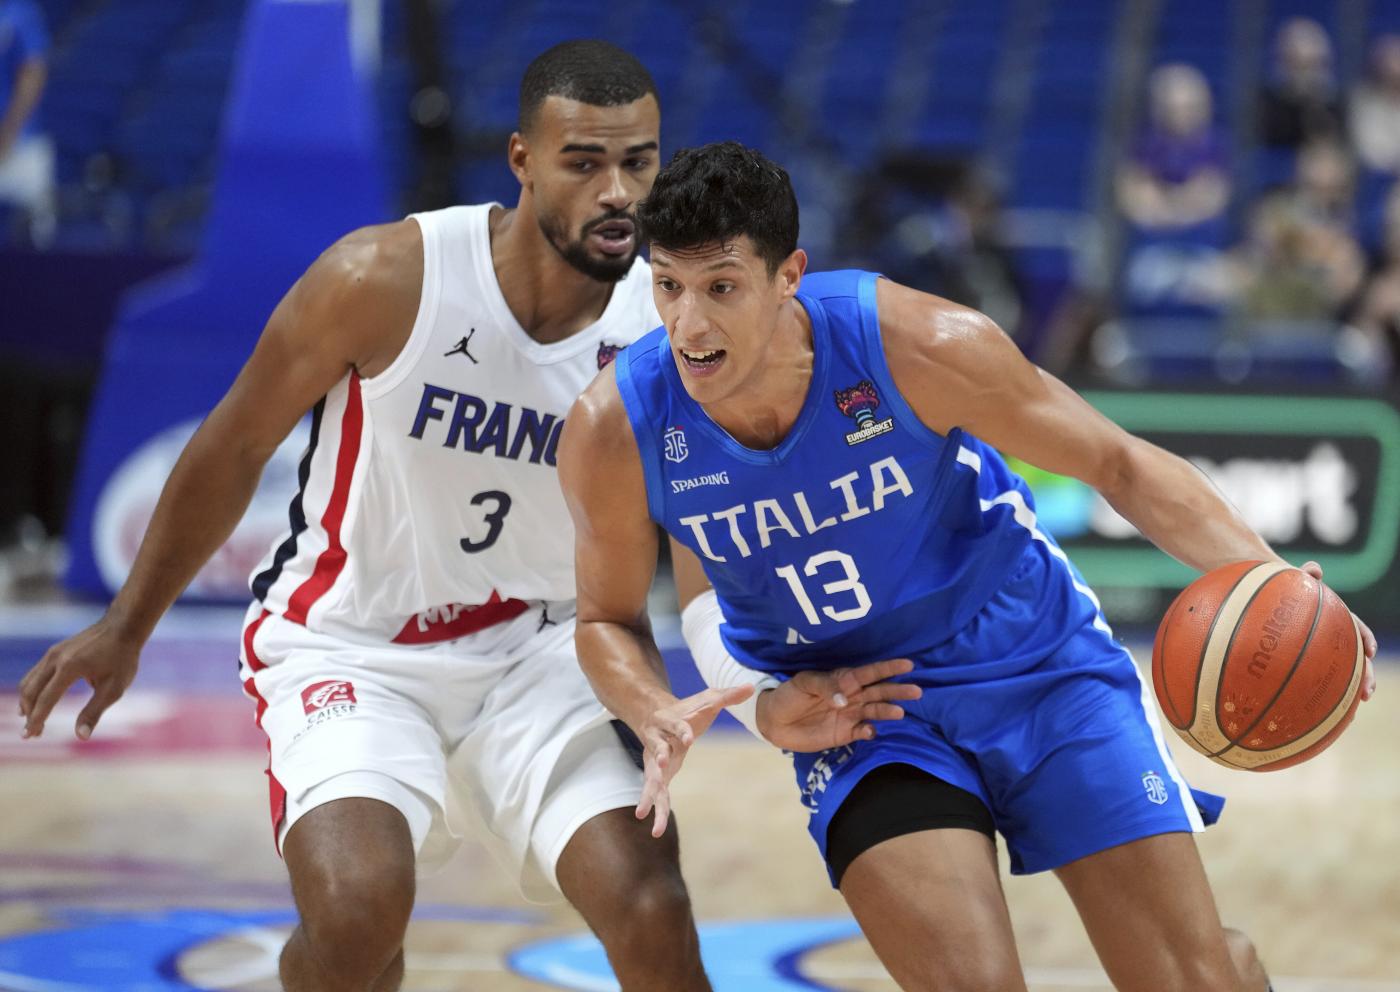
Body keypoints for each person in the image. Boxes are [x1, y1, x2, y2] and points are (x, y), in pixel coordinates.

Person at [558, 141, 1380, 992]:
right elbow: (604, 620)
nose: (689, 325)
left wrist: (1278, 580)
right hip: (866, 710)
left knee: (1191, 981)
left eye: (720, 287)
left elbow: (1119, 464)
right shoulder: (615, 428)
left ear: (788, 275)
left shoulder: (919, 344)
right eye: (668, 287)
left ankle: (1224, 963)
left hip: (1032, 660)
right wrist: (670, 710)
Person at [21, 41, 744, 992]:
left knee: (653, 908)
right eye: (585, 163)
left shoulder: (663, 328)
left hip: (542, 649)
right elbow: (234, 445)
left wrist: (742, 680)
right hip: (354, 645)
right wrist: (127, 626)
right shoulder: (385, 277)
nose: (619, 191)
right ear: (523, 161)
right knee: (360, 911)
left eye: (639, 162)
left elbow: (702, 527)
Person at [1116, 63, 1230, 233]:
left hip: (1201, 240)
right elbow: (1132, 193)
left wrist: (1179, 208)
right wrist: (1162, 209)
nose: (1180, 115)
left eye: (1188, 107)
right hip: (1152, 236)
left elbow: (1213, 197)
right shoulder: (1145, 142)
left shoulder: (1215, 145)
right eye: (1172, 108)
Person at [0, 0, 55, 246]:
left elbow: (33, 73)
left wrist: (7, 134)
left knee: (37, 238)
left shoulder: (18, 11)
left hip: (20, 146)